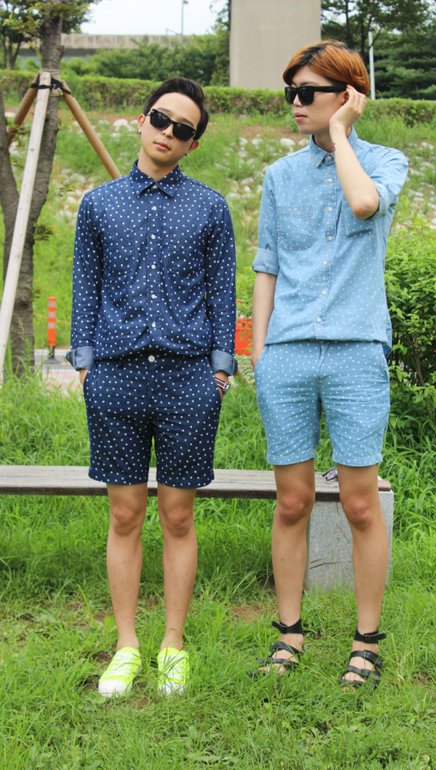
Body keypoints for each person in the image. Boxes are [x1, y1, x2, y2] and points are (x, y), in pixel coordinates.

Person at [67, 77, 236, 697]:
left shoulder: (211, 208)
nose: (168, 133)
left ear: (193, 144)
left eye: (182, 129)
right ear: (142, 121)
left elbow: (223, 292)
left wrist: (221, 371)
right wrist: (85, 365)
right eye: (161, 119)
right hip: (116, 377)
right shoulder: (99, 205)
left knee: (178, 515)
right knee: (124, 513)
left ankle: (172, 643)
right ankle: (126, 647)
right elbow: (85, 285)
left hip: (189, 380)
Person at [251, 41, 408, 687]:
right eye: (290, 92)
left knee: (360, 503)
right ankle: (289, 633)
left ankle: (365, 642)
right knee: (291, 502)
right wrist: (260, 353)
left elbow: (364, 205)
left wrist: (341, 135)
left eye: (308, 93)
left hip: (355, 351)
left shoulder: (385, 162)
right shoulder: (279, 176)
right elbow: (267, 265)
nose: (295, 103)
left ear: (347, 97)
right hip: (287, 354)